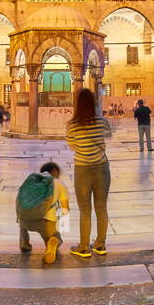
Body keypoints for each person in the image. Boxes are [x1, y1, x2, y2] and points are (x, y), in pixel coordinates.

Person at [64, 87, 111, 259]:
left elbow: (72, 146)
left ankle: (84, 247)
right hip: (102, 169)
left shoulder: (72, 125)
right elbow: (107, 136)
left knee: (85, 210)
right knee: (101, 207)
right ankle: (100, 244)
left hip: (82, 170)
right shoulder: (102, 121)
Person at [16, 162, 69, 264]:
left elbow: (20, 201)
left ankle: (24, 243)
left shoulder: (31, 181)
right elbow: (65, 207)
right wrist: (64, 226)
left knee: (25, 216)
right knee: (55, 238)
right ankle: (52, 243)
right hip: (45, 222)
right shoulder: (59, 183)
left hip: (25, 220)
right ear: (54, 171)